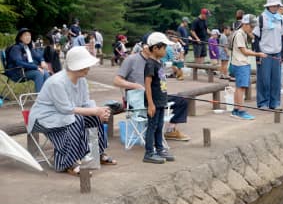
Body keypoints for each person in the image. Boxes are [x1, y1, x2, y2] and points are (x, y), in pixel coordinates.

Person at [28, 46, 117, 175]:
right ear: (76, 66)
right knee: (76, 119)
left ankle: (95, 154)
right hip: (43, 119)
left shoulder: (82, 80)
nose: (88, 68)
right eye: (86, 65)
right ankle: (68, 162)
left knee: (92, 117)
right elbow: (66, 110)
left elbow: (86, 103)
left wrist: (100, 112)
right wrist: (95, 111)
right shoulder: (56, 82)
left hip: (65, 115)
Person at [113, 33, 190, 142]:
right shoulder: (131, 59)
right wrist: (135, 85)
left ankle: (170, 130)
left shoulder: (158, 61)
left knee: (182, 100)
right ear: (146, 47)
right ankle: (153, 144)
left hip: (156, 95)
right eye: (162, 47)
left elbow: (162, 82)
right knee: (157, 110)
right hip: (139, 99)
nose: (164, 50)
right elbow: (116, 80)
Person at [143, 32, 177, 163]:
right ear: (156, 48)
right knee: (152, 126)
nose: (166, 50)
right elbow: (147, 84)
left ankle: (160, 149)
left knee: (159, 126)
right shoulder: (150, 64)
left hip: (161, 101)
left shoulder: (159, 63)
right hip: (154, 102)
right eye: (164, 47)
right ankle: (149, 152)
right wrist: (150, 103)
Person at [253, 0, 283, 110]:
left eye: (277, 5)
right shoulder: (261, 18)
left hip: (277, 53)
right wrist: (257, 56)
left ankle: (275, 103)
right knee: (264, 80)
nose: (275, 7)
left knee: (276, 80)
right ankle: (263, 103)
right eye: (273, 5)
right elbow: (256, 38)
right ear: (268, 6)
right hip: (264, 53)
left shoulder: (280, 19)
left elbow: (282, 37)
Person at [231, 14, 267, 119]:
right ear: (245, 24)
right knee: (241, 88)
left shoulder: (242, 33)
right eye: (251, 26)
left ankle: (236, 110)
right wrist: (258, 54)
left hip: (239, 63)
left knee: (239, 87)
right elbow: (244, 51)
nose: (252, 28)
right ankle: (241, 111)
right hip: (241, 64)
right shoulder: (239, 34)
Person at [6, 28, 50, 93]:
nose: (28, 37)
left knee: (46, 73)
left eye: (29, 35)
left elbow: (38, 56)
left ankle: (46, 96)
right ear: (20, 37)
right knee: (38, 74)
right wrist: (36, 67)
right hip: (17, 73)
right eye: (26, 35)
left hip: (26, 71)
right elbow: (19, 62)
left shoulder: (28, 48)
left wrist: (42, 61)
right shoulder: (16, 48)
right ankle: (40, 99)